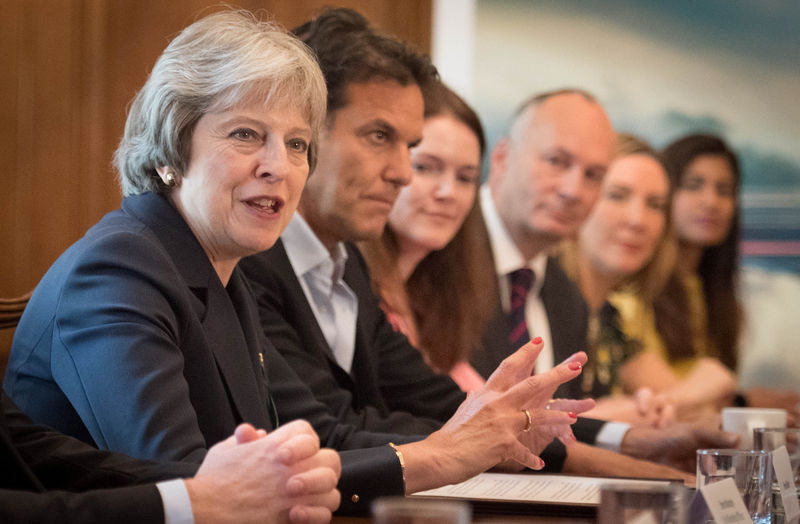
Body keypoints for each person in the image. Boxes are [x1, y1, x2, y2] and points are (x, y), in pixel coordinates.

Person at [3, 9, 589, 515]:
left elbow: (290, 451)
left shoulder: (219, 268)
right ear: (171, 150)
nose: (278, 166)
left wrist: (456, 442)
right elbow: (191, 487)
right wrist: (439, 455)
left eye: (297, 144)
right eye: (245, 135)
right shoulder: (120, 267)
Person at [239, 15, 735, 477]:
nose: (403, 174)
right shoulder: (250, 262)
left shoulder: (342, 267)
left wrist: (631, 442)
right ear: (304, 131)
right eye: (378, 136)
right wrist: (650, 472)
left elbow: (445, 401)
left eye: (410, 148)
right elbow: (328, 432)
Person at [471, 90, 739, 460]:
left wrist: (647, 422)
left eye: (593, 176)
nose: (637, 220)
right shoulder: (462, 257)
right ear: (501, 158)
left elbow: (543, 427)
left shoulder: (565, 298)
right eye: (618, 195)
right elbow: (479, 417)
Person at [612, 133, 800, 420]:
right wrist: (743, 403)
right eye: (693, 185)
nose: (711, 201)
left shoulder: (709, 289)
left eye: (724, 190)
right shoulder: (630, 287)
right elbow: (669, 405)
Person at [1, 390, 340, 524]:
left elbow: (28, 448)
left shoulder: (233, 280)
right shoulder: (118, 266)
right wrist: (198, 499)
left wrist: (222, 486)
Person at [358, 80, 496, 389]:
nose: (449, 192)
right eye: (425, 168)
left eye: (465, 178)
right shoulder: (354, 287)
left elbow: (474, 405)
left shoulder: (434, 294)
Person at [557, 134, 676, 426]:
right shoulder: (536, 301)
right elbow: (522, 421)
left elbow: (674, 397)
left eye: (655, 205)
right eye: (617, 195)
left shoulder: (609, 320)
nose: (638, 220)